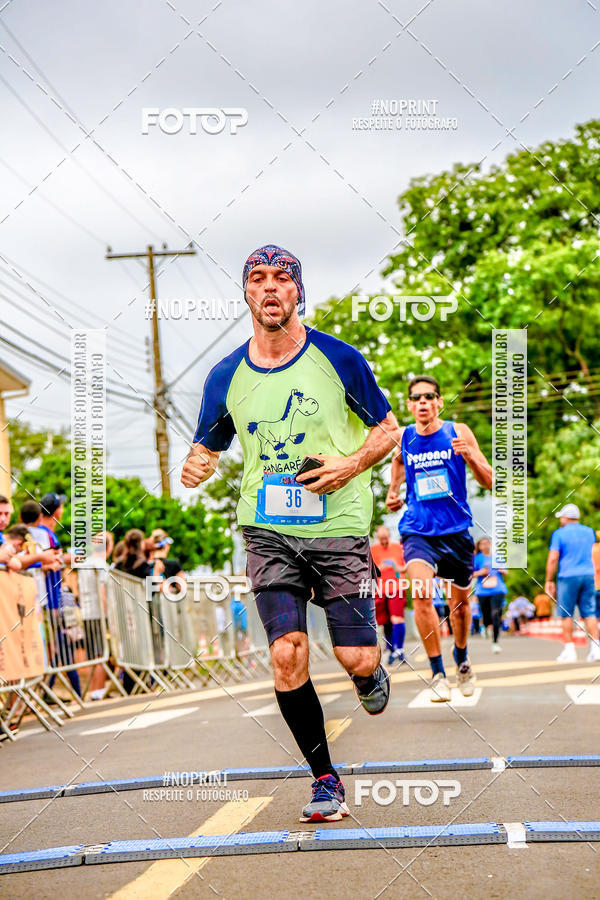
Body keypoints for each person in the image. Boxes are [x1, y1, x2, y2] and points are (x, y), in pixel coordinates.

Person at [182, 243, 400, 823]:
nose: (271, 287)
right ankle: (325, 778)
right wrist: (197, 463)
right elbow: (209, 443)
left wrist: (352, 464)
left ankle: (368, 671)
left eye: (283, 278)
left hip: (339, 525)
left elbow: (388, 431)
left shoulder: (339, 359)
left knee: (355, 654)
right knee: (286, 654)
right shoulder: (225, 374)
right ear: (247, 293)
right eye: (258, 278)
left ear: (299, 291)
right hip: (267, 528)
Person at [386, 375, 493, 702]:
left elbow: (489, 481)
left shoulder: (457, 432)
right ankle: (437, 673)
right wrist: (394, 491)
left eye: (429, 396)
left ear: (439, 402)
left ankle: (461, 661)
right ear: (409, 405)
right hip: (417, 529)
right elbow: (397, 462)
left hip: (456, 531)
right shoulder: (405, 437)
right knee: (420, 593)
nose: (422, 402)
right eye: (416, 397)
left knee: (459, 607)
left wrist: (470, 456)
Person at [545, 504, 600, 662]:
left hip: (568, 576)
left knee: (566, 614)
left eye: (561, 517)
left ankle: (569, 650)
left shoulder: (559, 534)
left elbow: (553, 558)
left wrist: (549, 580)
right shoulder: (589, 532)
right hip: (588, 575)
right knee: (589, 613)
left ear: (565, 517)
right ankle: (596, 649)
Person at [370, 525, 407, 664]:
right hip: (380, 589)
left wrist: (397, 569)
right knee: (385, 621)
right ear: (377, 537)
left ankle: (400, 650)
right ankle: (390, 649)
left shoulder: (398, 547)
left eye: (386, 537)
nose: (384, 540)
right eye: (381, 538)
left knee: (396, 618)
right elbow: (368, 570)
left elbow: (406, 566)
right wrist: (379, 568)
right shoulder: (372, 550)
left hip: (396, 587)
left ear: (389, 536)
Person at [473, 536, 508, 653]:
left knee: (496, 614)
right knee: (486, 615)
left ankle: (495, 642)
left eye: (487, 543)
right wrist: (481, 572)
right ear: (479, 546)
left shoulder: (497, 557)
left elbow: (506, 571)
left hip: (498, 589)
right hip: (482, 591)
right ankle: (486, 626)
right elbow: (470, 574)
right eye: (482, 544)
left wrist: (500, 569)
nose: (485, 546)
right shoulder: (477, 558)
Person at [0, 494, 21, 570]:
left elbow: (17, 565)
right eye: (0, 513)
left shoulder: (1, 536)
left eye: (6, 514)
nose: (3, 518)